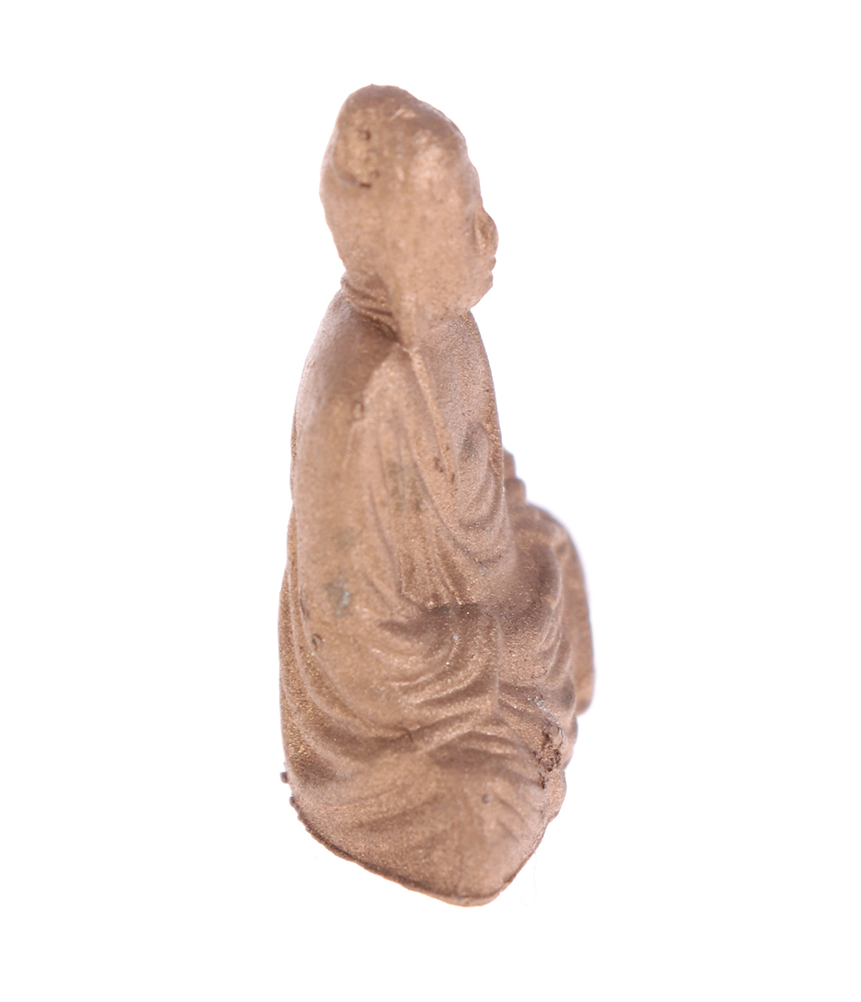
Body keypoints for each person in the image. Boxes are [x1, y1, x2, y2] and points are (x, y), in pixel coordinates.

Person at [279, 85, 593, 905]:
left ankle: (537, 721)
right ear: (405, 251)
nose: (488, 234)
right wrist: (503, 644)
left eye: (479, 206)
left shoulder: (454, 333)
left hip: (477, 611)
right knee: (480, 832)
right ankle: (513, 750)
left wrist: (520, 559)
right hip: (392, 711)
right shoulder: (354, 400)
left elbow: (488, 474)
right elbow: (356, 644)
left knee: (557, 550)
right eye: (461, 221)